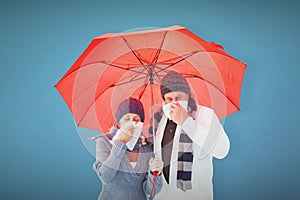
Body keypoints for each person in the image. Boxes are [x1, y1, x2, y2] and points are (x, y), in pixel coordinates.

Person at [151, 71, 230, 200]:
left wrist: (186, 122)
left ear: (188, 96)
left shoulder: (205, 115)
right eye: (169, 99)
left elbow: (222, 150)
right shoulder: (160, 121)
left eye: (179, 98)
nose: (174, 103)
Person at [93, 97, 164, 200]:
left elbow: (151, 191)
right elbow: (105, 177)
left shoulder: (147, 149)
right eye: (127, 119)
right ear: (118, 123)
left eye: (136, 119)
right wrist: (120, 144)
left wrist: (154, 173)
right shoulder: (104, 142)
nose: (132, 123)